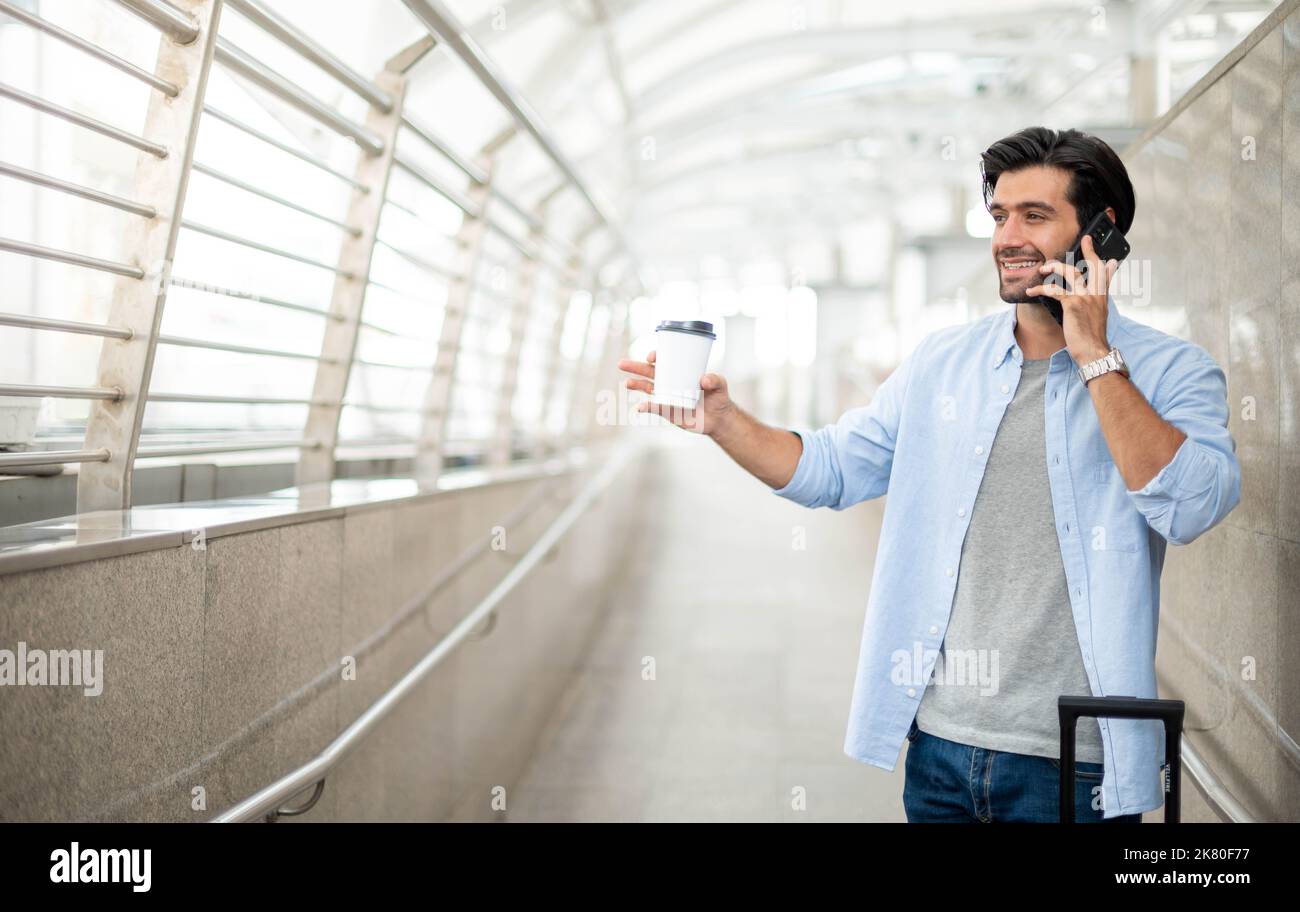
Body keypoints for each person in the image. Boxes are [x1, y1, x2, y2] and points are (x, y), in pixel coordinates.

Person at [617, 126, 1240, 823]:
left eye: (1035, 216)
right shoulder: (943, 363)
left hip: (1075, 762)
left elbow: (1188, 507)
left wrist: (1093, 352)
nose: (1007, 237)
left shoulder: (1172, 372)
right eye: (1000, 216)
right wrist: (724, 421)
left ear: (1102, 232)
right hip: (940, 753)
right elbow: (829, 470)